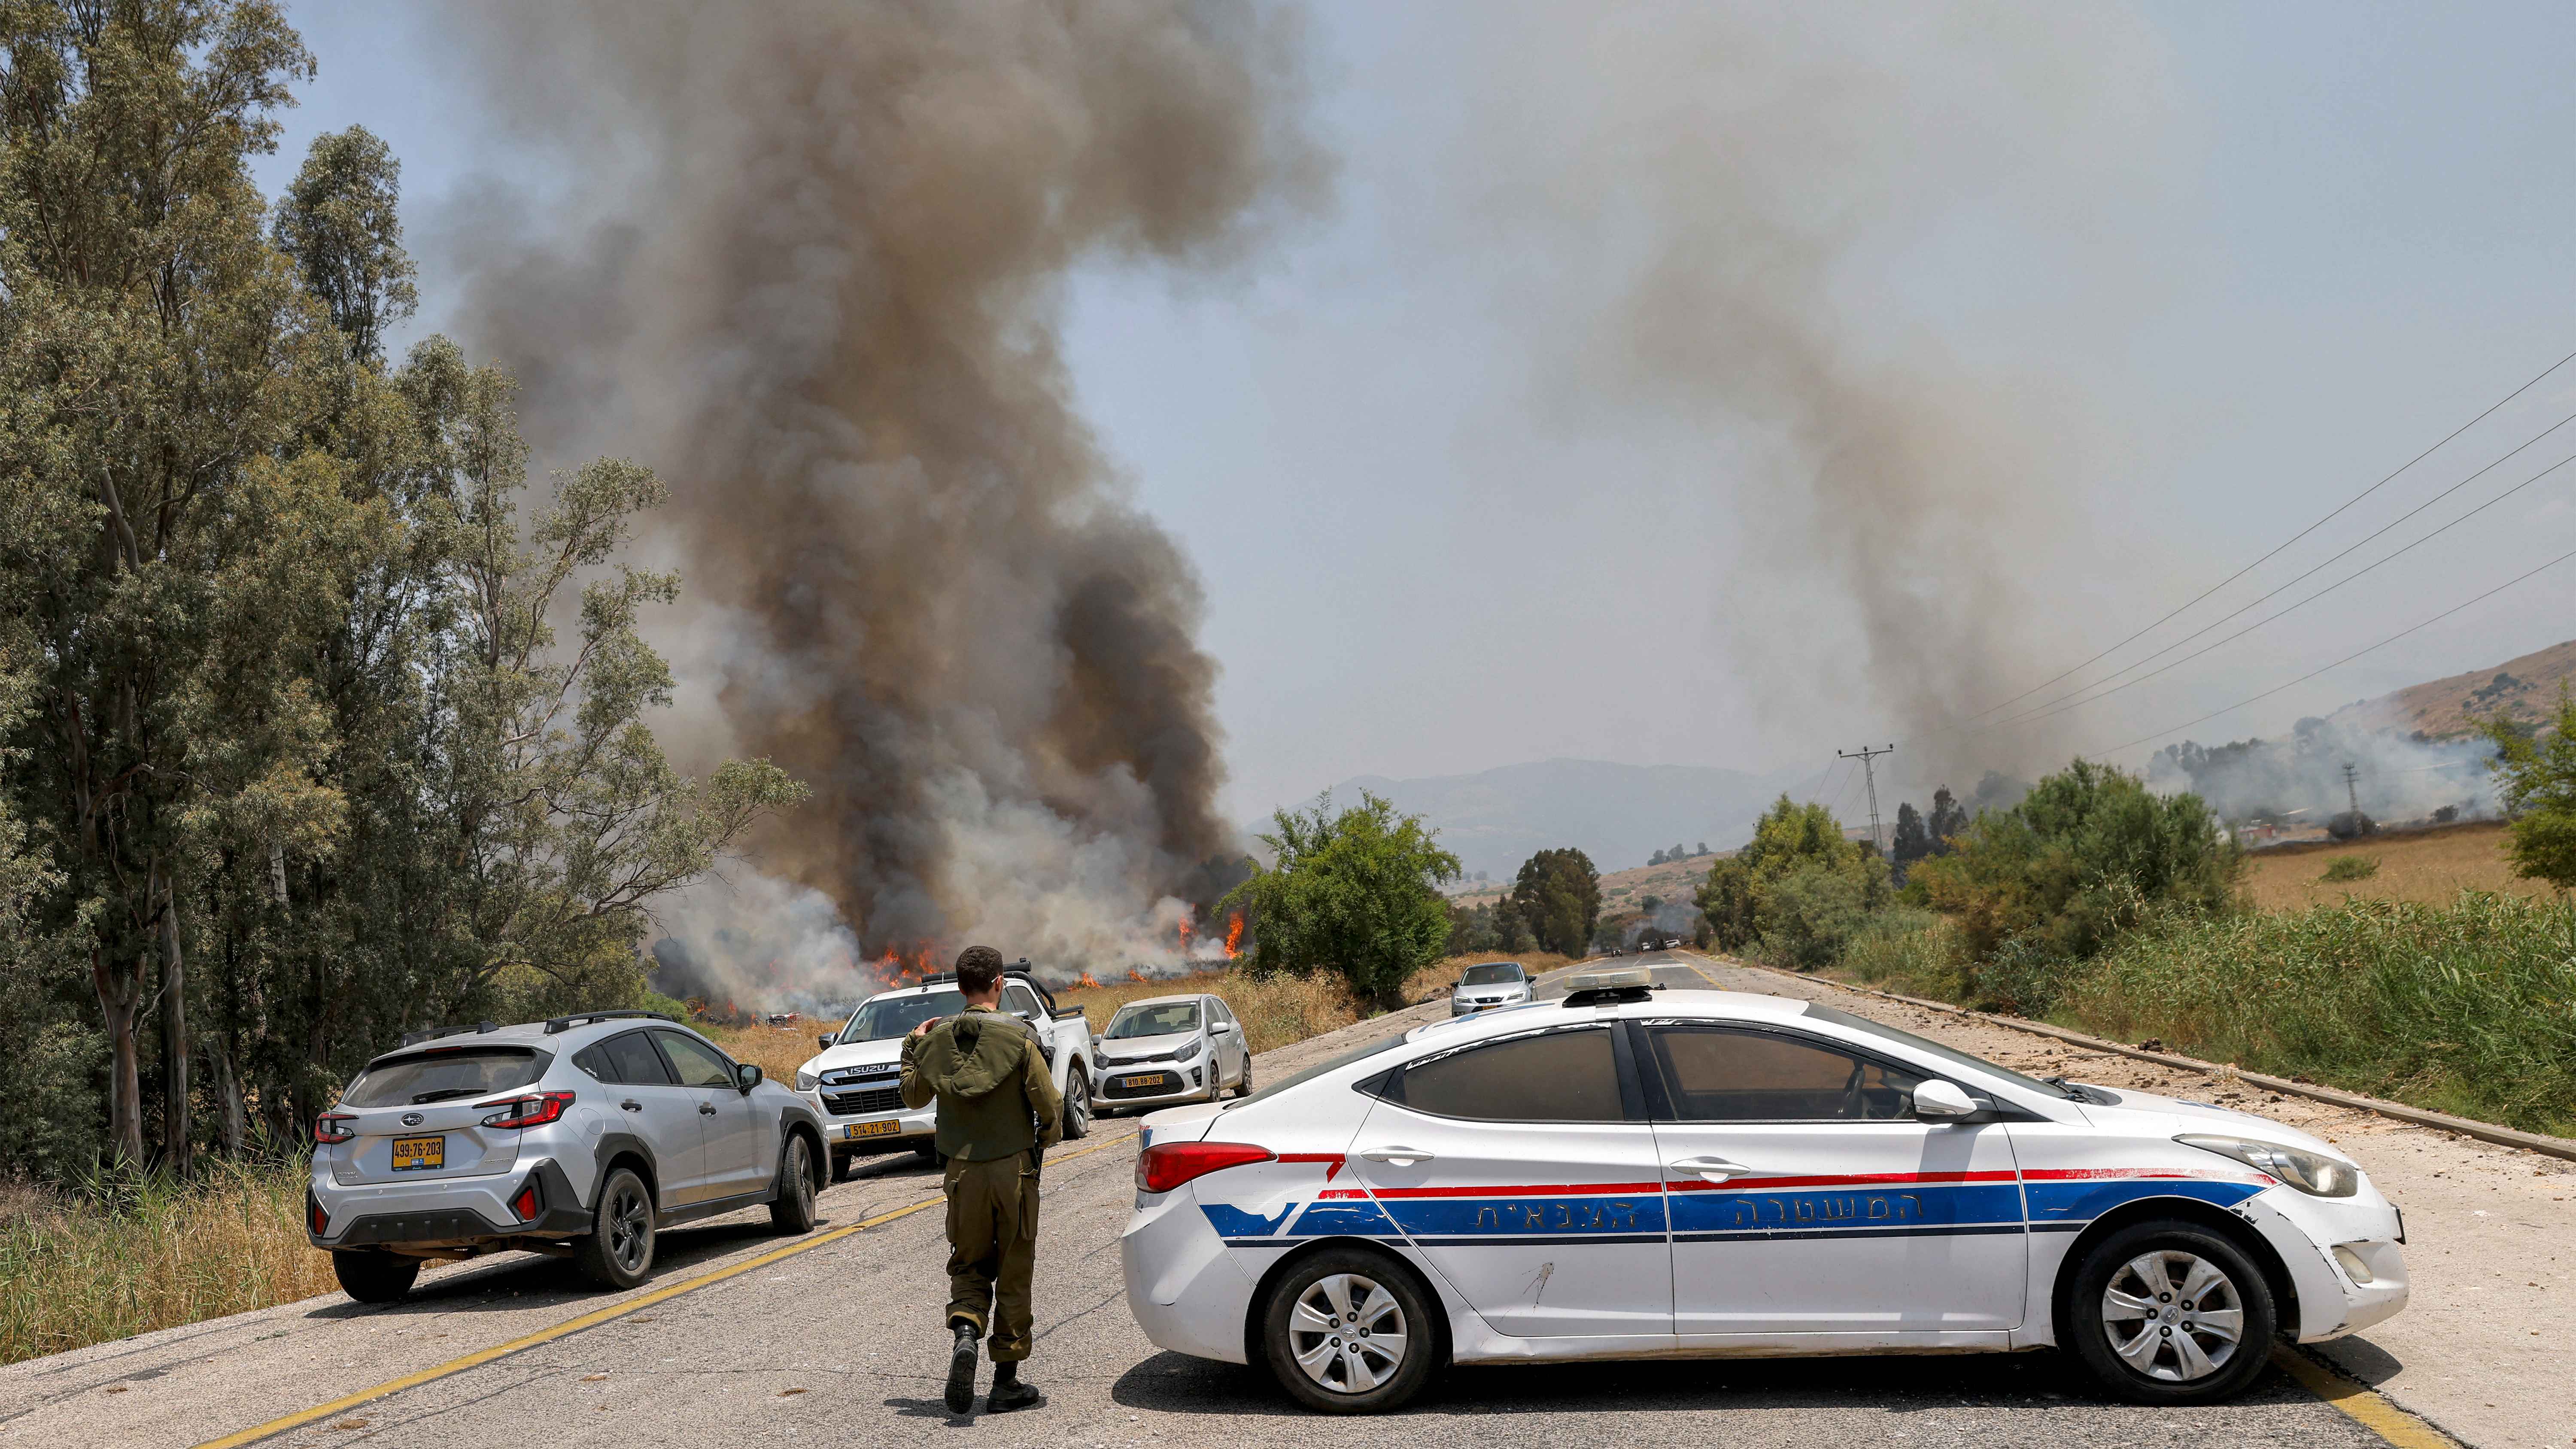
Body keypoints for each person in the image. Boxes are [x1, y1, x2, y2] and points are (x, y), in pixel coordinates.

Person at [902, 945, 1063, 1416]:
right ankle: (1006, 1383)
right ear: (1000, 983)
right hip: (1013, 1170)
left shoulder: (935, 1042)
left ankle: (967, 1334)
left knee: (969, 1264)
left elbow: (913, 1096)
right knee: (1013, 1267)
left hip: (961, 1174)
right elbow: (1050, 1106)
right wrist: (1044, 1142)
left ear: (959, 988)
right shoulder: (1020, 1037)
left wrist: (911, 1045)